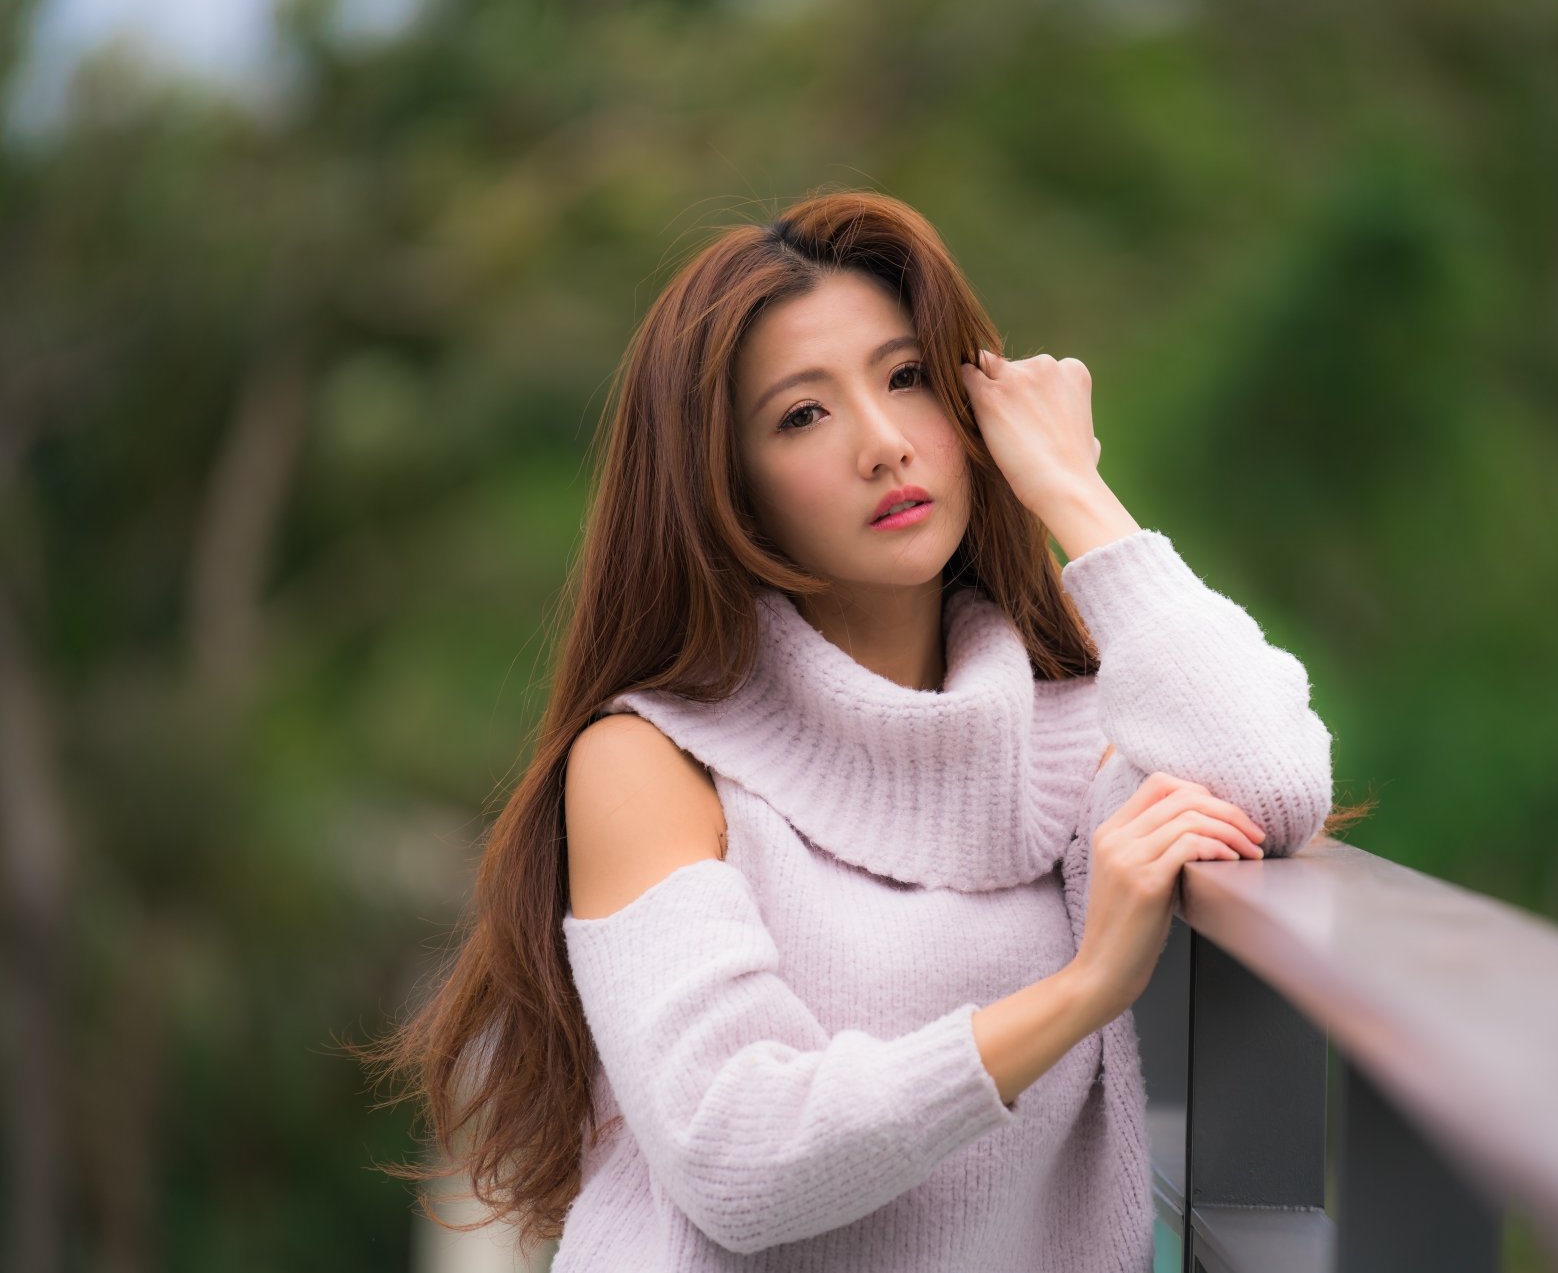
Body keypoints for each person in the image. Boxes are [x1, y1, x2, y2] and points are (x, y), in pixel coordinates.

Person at [363, 187, 1362, 1271]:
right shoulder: (657, 760)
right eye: (804, 414)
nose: (885, 444)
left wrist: (1075, 491)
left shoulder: (1073, 733)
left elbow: (1273, 780)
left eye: (907, 379)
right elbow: (735, 1156)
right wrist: (1077, 997)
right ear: (725, 486)